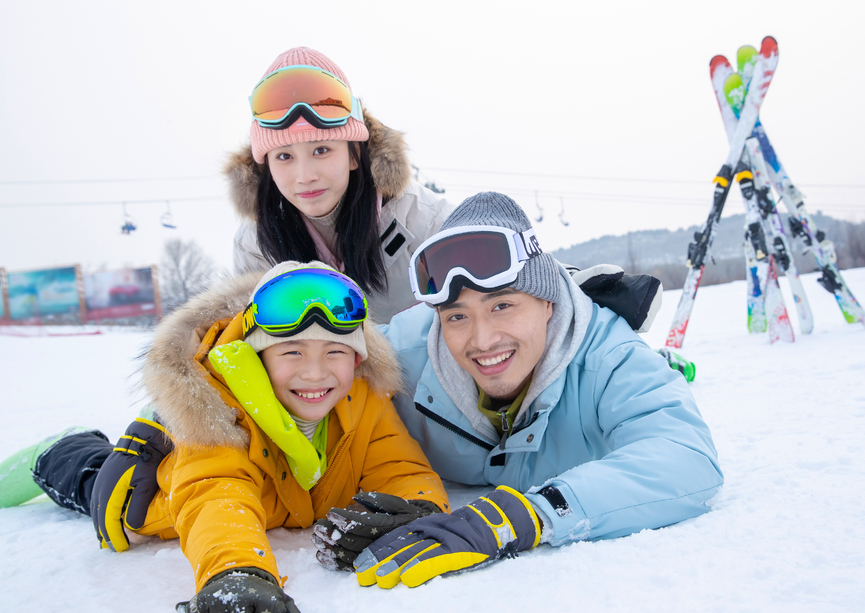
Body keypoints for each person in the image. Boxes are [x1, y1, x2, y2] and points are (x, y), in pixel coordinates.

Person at [0, 261, 449, 611]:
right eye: (292, 351)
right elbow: (217, 495)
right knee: (95, 481)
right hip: (150, 498)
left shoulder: (365, 397)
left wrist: (418, 508)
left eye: (336, 351)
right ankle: (57, 450)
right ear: (256, 357)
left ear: (357, 359)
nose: (316, 372)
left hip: (267, 501)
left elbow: (398, 465)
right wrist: (235, 571)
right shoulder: (219, 406)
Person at [345, 191, 723, 588]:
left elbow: (687, 458)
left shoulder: (610, 355)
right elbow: (312, 377)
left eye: (502, 306)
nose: (483, 339)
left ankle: (668, 360)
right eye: (457, 316)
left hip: (610, 373)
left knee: (657, 369)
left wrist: (532, 514)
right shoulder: (403, 356)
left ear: (547, 302)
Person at [227, 46, 454, 323]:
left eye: (321, 150)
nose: (305, 175)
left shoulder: (424, 222)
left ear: (354, 155)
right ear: (268, 169)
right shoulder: (255, 245)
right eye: (284, 156)